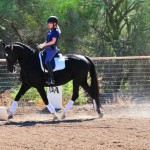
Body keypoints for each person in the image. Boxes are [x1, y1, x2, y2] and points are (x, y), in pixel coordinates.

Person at [37, 16, 61, 85]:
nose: (48, 24)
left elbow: (53, 41)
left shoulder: (55, 32)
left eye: (50, 23)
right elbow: (47, 41)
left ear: (54, 23)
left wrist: (44, 45)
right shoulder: (50, 31)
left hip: (52, 49)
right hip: (47, 48)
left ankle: (52, 79)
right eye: (48, 23)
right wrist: (41, 45)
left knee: (47, 61)